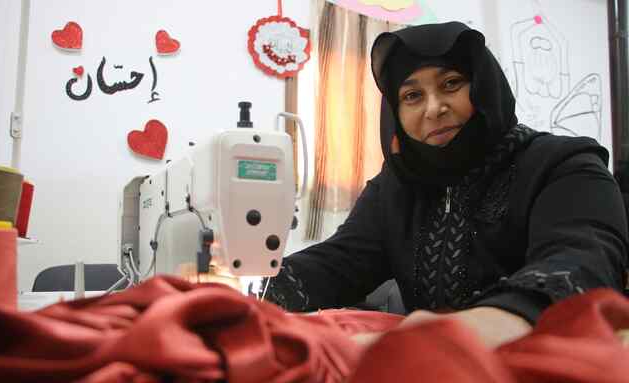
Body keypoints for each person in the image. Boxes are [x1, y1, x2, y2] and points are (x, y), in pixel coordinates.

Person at [261, 21, 629, 347]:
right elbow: (339, 262)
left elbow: (582, 261)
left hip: (539, 367)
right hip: (432, 370)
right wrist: (251, 295)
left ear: (485, 85)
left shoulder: (563, 164)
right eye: (412, 96)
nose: (433, 108)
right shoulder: (396, 187)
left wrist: (484, 325)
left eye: (451, 83)